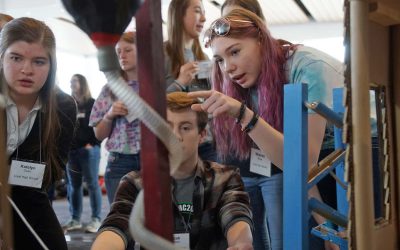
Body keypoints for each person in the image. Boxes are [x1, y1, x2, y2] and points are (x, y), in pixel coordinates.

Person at [189, 9, 344, 250]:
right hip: (320, 163)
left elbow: (305, 160)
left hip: (363, 148)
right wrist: (327, 229)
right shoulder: (253, 85)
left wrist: (243, 114)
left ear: (261, 40)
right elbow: (299, 165)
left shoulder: (306, 66)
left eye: (235, 52)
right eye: (220, 59)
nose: (228, 67)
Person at [91, 92, 254, 250]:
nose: (175, 136)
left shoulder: (225, 178)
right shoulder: (134, 183)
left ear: (201, 135)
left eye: (185, 127)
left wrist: (240, 242)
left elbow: (235, 214)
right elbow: (117, 224)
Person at [1, 17, 76, 249]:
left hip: (29, 196)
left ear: (52, 65)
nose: (26, 70)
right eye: (16, 58)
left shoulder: (63, 105)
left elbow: (54, 168)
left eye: (39, 61)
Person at [89, 31, 141, 205]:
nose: (122, 56)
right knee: (120, 215)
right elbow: (98, 134)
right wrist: (110, 114)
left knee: (155, 215)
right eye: (118, 52)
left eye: (127, 50)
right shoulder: (110, 88)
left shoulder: (158, 85)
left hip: (153, 156)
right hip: (119, 160)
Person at [63, 73, 102, 233]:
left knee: (92, 184)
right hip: (71, 152)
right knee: (74, 186)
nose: (71, 83)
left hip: (89, 150)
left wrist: (92, 144)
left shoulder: (92, 103)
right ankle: (75, 219)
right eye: (70, 81)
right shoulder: (67, 103)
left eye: (74, 81)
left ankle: (96, 219)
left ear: (82, 83)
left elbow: (100, 123)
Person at [164, 0, 209, 93]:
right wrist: (179, 83)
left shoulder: (205, 58)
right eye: (197, 11)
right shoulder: (160, 54)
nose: (204, 18)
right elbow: (147, 104)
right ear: (179, 15)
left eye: (204, 13)